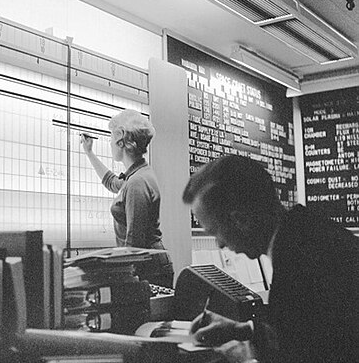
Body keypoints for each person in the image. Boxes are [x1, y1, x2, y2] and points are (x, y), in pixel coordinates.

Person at [182, 155, 359, 363]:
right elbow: (301, 328)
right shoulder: (305, 232)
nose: (220, 245)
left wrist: (243, 352)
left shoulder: (298, 261)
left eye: (214, 232)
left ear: (241, 220)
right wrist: (243, 330)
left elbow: (305, 352)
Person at [81, 109, 174, 288]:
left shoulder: (137, 182)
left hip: (149, 269)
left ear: (121, 140)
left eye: (110, 138)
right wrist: (89, 153)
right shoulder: (138, 174)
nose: (109, 143)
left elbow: (134, 241)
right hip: (152, 265)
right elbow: (113, 183)